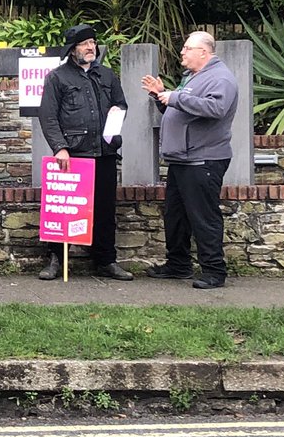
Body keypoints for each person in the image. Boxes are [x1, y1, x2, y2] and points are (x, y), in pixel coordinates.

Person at [142, 31, 239, 289]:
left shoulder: (221, 79)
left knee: (203, 216)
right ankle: (178, 264)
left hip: (203, 160)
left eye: (187, 48)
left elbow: (215, 109)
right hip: (183, 159)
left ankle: (214, 272)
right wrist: (162, 97)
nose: (182, 52)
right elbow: (184, 111)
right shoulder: (194, 77)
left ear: (203, 53)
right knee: (176, 215)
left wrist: (176, 97)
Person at [36, 23, 132, 281]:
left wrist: (115, 119)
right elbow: (48, 116)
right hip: (73, 155)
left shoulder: (108, 75)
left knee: (105, 211)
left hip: (105, 153)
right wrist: (60, 148)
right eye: (84, 44)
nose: (91, 47)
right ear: (72, 49)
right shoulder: (57, 77)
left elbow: (120, 105)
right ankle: (56, 259)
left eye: (93, 42)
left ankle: (106, 261)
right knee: (64, 209)